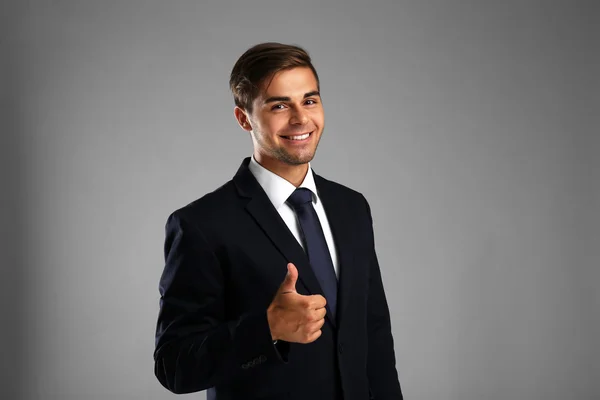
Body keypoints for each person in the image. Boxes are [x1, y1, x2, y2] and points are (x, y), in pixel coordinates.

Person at [153, 42, 403, 400]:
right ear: (244, 118)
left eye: (310, 101)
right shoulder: (201, 225)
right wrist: (267, 328)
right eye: (280, 105)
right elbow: (173, 364)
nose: (301, 119)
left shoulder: (352, 207)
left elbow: (374, 335)